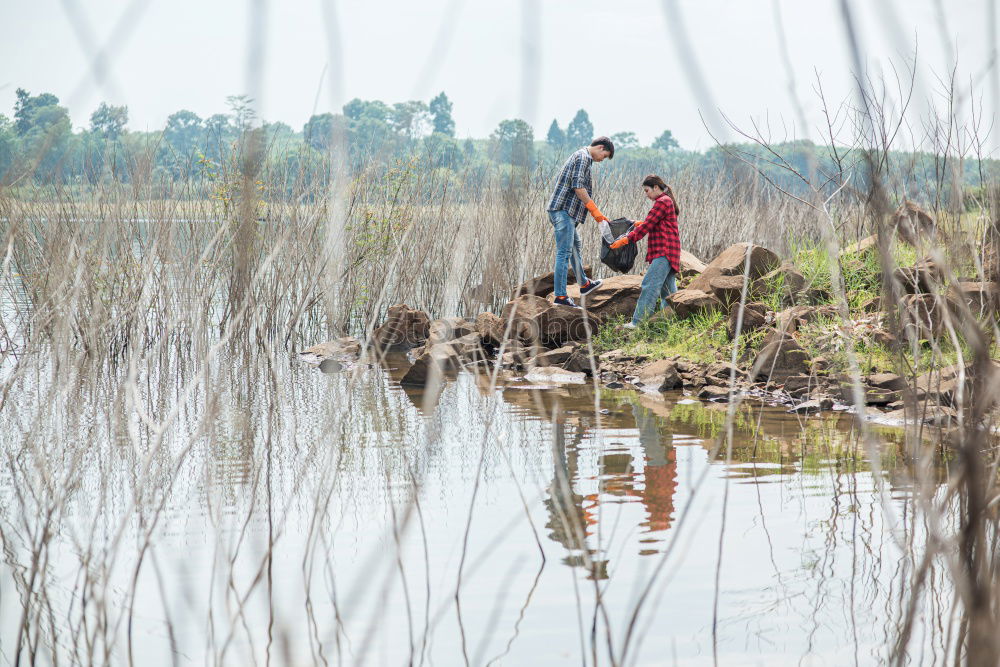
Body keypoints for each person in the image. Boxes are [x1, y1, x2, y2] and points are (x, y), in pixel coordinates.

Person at [545, 137, 615, 308]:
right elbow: (578, 187)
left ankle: (584, 284)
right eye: (604, 156)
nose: (602, 160)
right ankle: (561, 297)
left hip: (565, 212)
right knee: (564, 253)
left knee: (576, 245)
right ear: (600, 148)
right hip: (562, 211)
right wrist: (595, 211)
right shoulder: (583, 158)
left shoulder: (582, 157)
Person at [609, 175, 681, 328]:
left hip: (664, 250)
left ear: (656, 187)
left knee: (650, 284)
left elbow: (648, 225)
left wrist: (626, 240)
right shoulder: (666, 201)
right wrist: (638, 223)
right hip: (669, 250)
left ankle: (637, 323)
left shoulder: (662, 201)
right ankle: (670, 322)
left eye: (647, 190)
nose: (646, 194)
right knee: (668, 293)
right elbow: (656, 223)